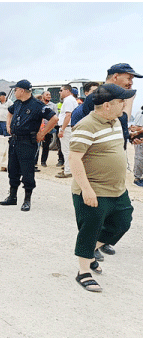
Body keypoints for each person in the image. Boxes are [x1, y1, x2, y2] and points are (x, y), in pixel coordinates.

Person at [70, 83, 136, 292]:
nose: (124, 105)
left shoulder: (116, 121)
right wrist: (86, 189)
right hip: (94, 189)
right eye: (120, 101)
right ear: (107, 105)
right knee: (90, 229)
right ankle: (83, 271)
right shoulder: (86, 125)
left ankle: (89, 253)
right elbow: (74, 159)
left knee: (122, 223)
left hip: (117, 189)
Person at [0, 80, 58, 211]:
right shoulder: (17, 103)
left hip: (27, 142)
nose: (14, 92)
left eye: (15, 90)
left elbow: (54, 119)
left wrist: (42, 133)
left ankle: (27, 200)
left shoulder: (37, 105)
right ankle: (12, 197)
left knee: (27, 171)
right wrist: (8, 125)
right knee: (12, 169)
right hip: (14, 141)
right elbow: (10, 112)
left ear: (22, 90)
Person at [56, 84, 79, 178]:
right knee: (69, 150)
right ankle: (69, 168)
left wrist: (62, 129)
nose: (59, 92)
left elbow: (68, 115)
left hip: (67, 127)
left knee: (66, 150)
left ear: (67, 90)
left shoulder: (69, 100)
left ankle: (68, 171)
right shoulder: (70, 100)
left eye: (61, 90)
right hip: (70, 127)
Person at [38, 91, 58, 167]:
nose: (49, 96)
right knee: (36, 145)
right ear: (42, 96)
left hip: (48, 128)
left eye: (49, 95)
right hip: (39, 128)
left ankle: (43, 161)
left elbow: (56, 117)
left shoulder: (53, 106)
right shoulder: (39, 104)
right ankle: (34, 162)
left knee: (46, 146)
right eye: (47, 95)